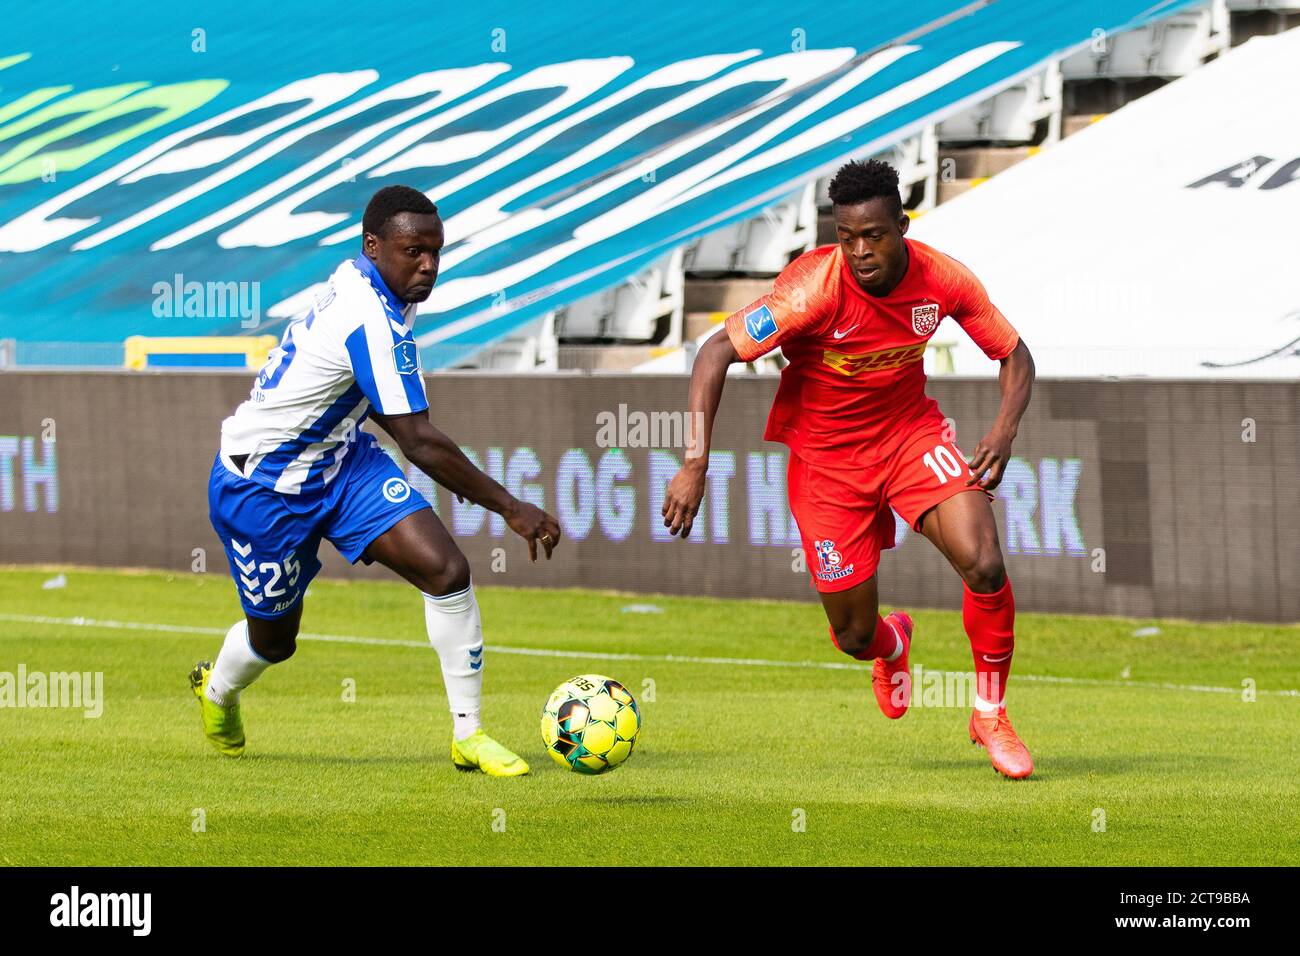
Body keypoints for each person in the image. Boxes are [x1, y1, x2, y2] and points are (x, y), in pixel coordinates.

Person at [661, 159, 1037, 779]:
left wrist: (1003, 429)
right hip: (827, 465)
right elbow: (714, 352)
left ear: (902, 226)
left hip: (910, 437)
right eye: (848, 237)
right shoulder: (811, 290)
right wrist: (695, 462)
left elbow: (1015, 355)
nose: (860, 251)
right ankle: (893, 644)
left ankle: (990, 713)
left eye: (875, 235)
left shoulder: (943, 279)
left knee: (985, 560)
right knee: (854, 637)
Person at [194, 184, 561, 776]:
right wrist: (511, 506)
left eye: (436, 252)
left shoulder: (376, 283)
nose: (428, 266)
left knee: (446, 570)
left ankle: (469, 733)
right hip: (262, 486)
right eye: (414, 251)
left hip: (340, 463)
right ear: (373, 246)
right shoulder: (368, 316)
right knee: (275, 641)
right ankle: (218, 692)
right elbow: (417, 440)